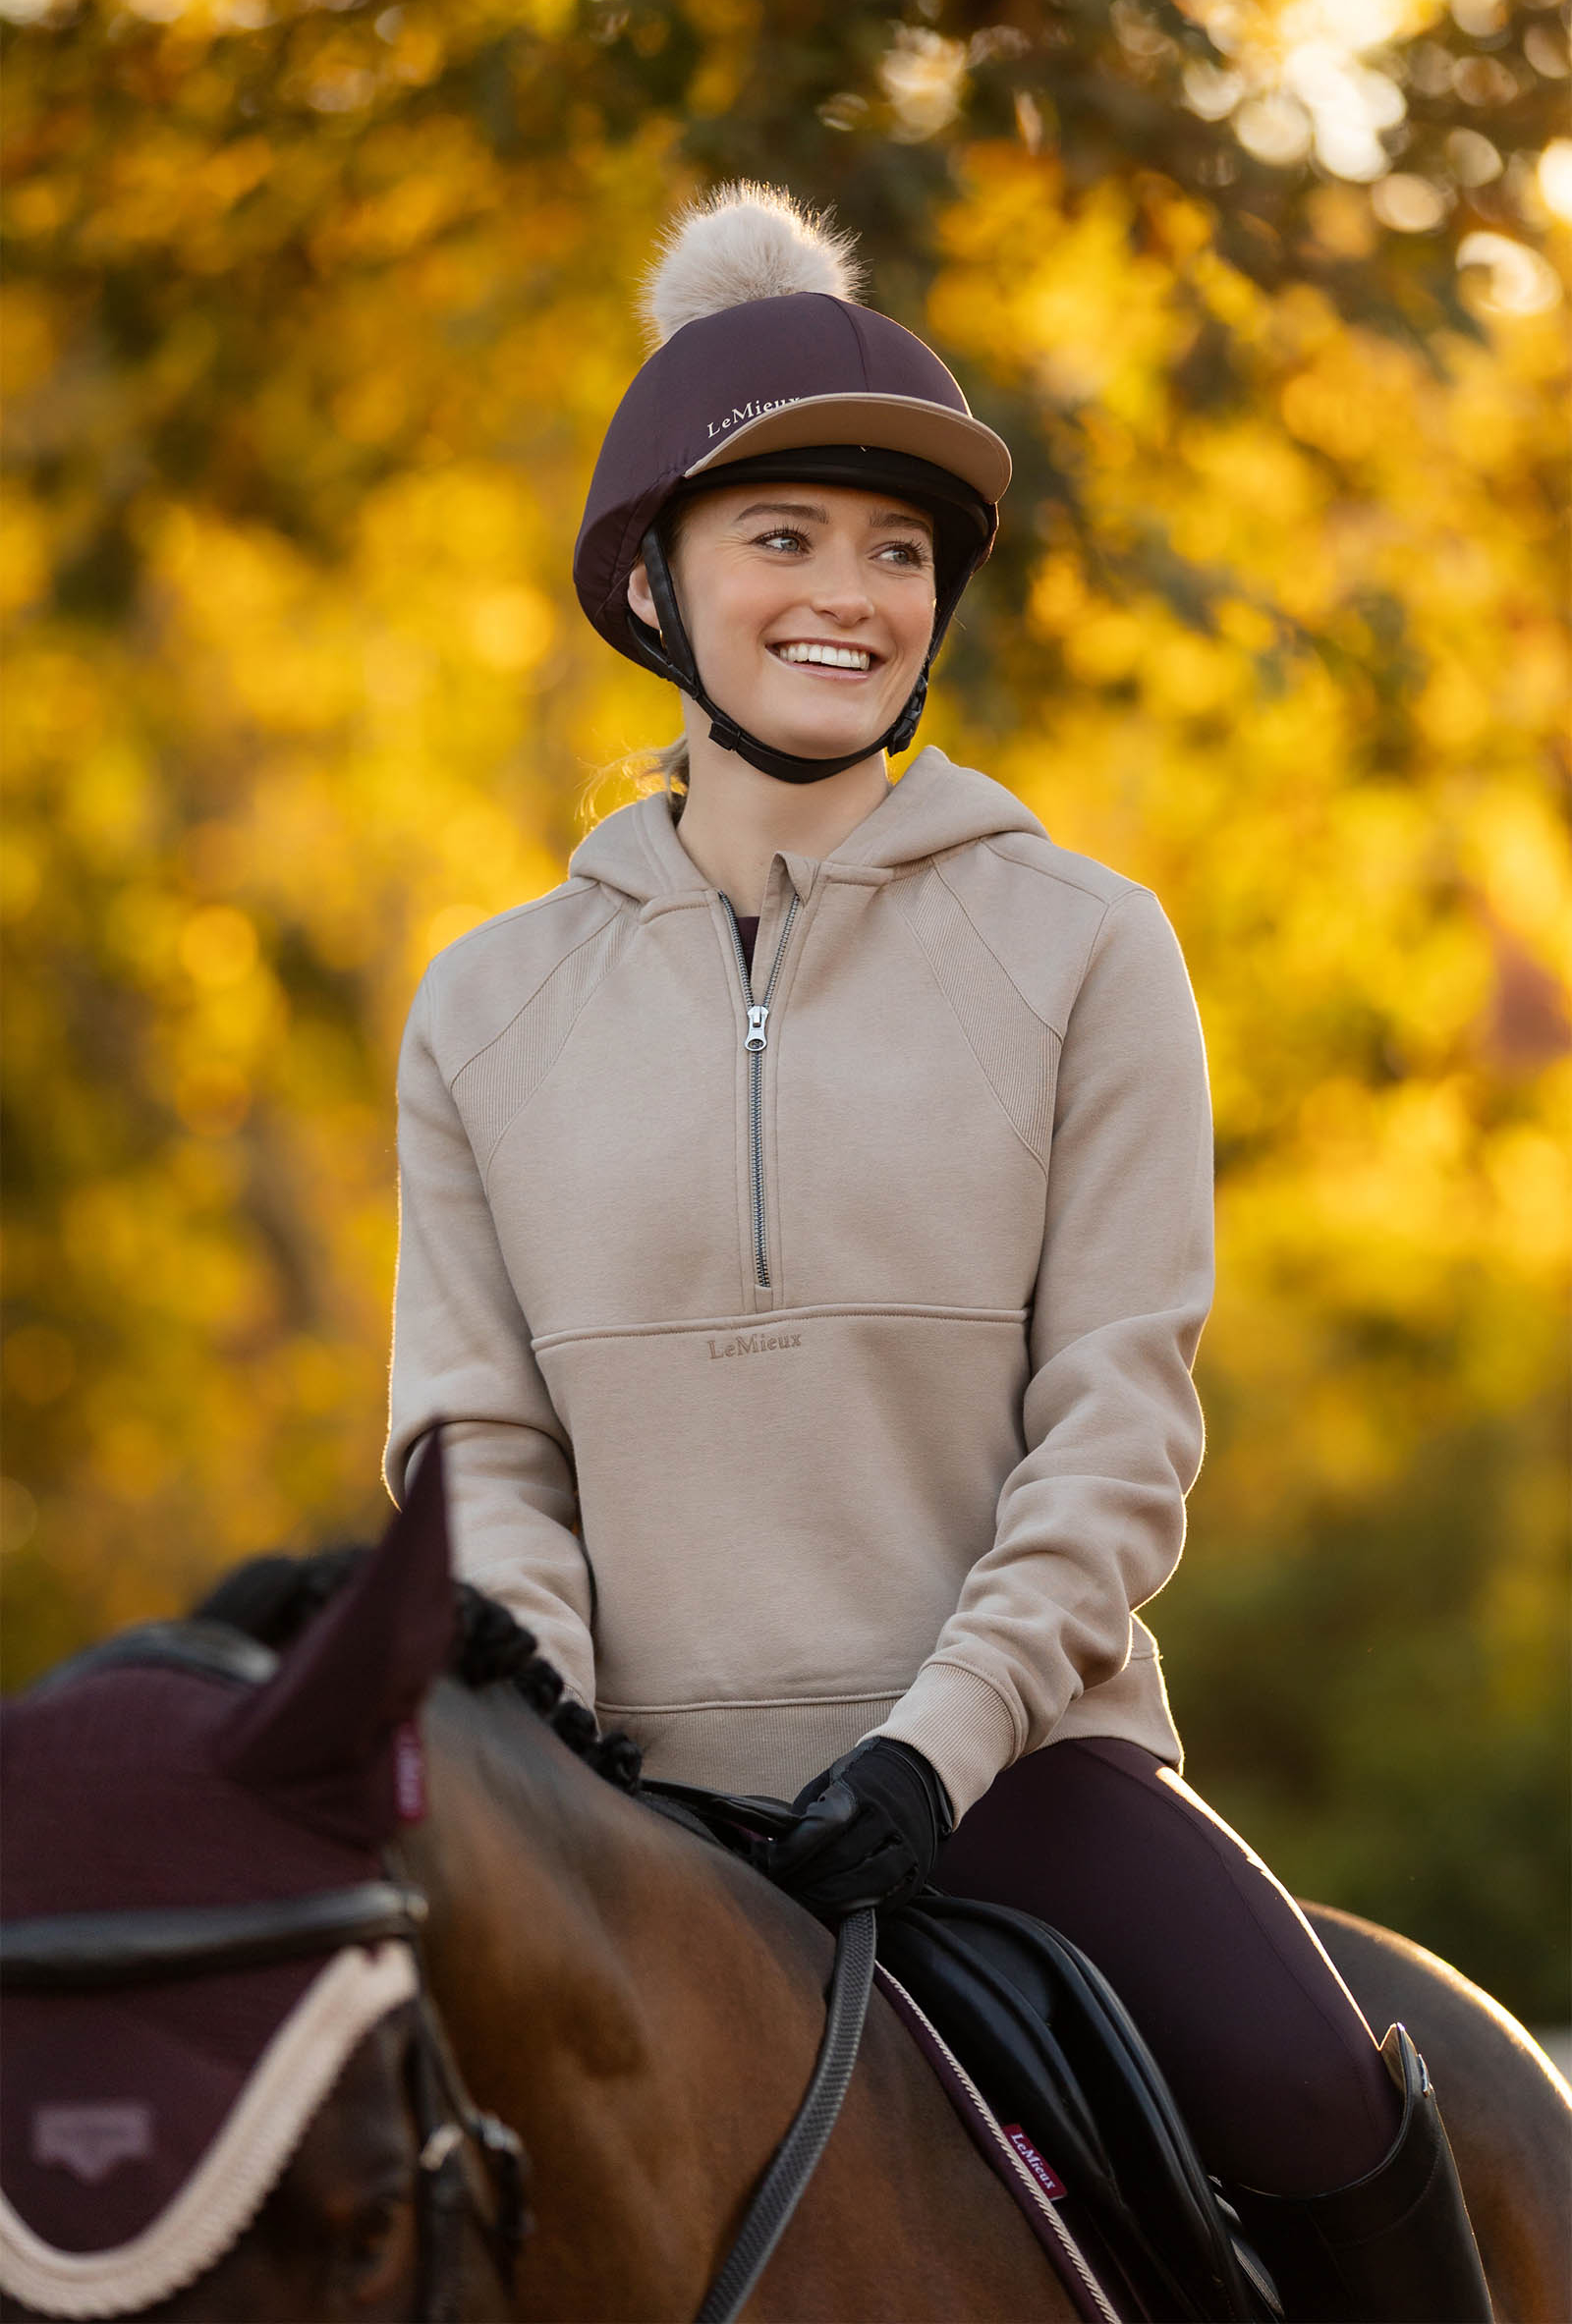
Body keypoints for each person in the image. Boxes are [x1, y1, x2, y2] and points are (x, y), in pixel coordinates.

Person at [385, 184, 1490, 2323]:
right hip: (612, 1804)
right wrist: (553, 1728)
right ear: (651, 575)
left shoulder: (1079, 947)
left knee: (1321, 2099)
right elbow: (467, 1439)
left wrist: (929, 1744)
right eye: (781, 537)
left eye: (896, 551)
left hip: (1007, 1775)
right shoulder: (483, 1005)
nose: (848, 593)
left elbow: (1115, 1426)